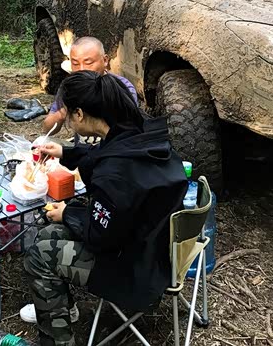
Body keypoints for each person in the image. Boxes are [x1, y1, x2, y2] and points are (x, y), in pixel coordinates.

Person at [21, 71, 188, 346]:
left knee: (40, 254)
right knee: (48, 233)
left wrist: (68, 213)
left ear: (79, 114)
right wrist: (66, 152)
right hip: (161, 249)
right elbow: (108, 154)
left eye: (67, 114)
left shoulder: (114, 174)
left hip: (135, 272)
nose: (68, 121)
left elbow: (100, 237)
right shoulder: (142, 132)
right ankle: (64, 309)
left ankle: (57, 342)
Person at [42, 37, 138, 136]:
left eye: (88, 63)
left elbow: (129, 128)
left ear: (105, 60)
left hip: (115, 143)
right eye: (75, 64)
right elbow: (47, 129)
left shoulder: (122, 87)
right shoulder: (69, 87)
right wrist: (64, 110)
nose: (81, 69)